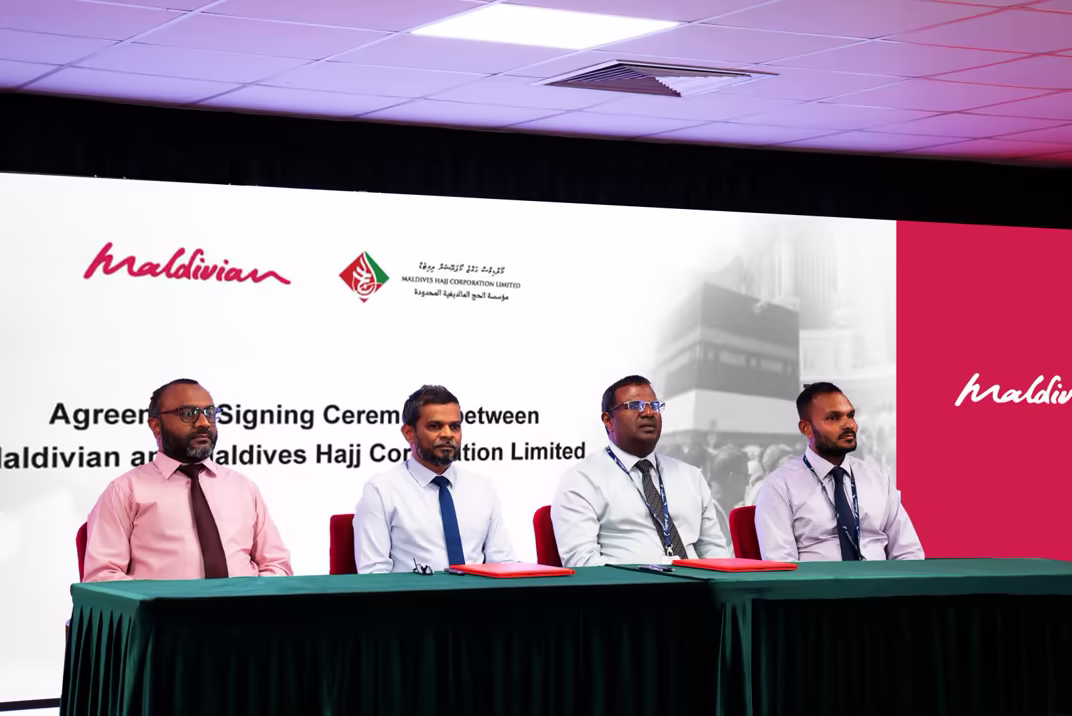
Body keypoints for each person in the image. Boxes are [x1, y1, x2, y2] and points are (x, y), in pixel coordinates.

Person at [83, 379, 292, 581]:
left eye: (210, 413)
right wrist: (160, 603)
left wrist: (254, 598)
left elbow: (277, 565)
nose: (203, 423)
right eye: (188, 414)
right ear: (156, 425)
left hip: (244, 604)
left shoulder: (243, 487)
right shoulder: (125, 490)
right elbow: (102, 576)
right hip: (164, 606)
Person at [550, 375, 731, 566]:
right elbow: (583, 562)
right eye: (635, 406)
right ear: (608, 420)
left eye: (654, 406)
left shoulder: (691, 476)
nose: (648, 413)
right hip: (631, 585)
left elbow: (715, 550)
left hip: (699, 583)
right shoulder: (582, 480)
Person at [753, 382, 923, 562]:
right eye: (833, 418)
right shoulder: (780, 485)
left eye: (850, 415)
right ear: (806, 428)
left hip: (882, 580)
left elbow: (909, 553)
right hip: (817, 580)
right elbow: (781, 564)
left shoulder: (878, 479)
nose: (849, 425)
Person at [353, 385, 515, 573]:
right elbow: (374, 574)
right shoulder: (381, 490)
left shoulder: (482, 487)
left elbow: (503, 563)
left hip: (480, 592)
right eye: (435, 426)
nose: (448, 434)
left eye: (455, 426)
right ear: (409, 433)